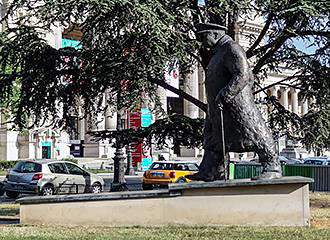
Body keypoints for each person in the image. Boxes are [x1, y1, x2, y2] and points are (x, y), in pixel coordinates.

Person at [186, 23, 282, 181]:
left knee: (254, 132)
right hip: (218, 105)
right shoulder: (218, 52)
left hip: (236, 104)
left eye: (204, 36)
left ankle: (272, 166)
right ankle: (210, 169)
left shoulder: (232, 48)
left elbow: (243, 75)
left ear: (216, 34)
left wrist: (226, 93)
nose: (201, 40)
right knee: (213, 137)